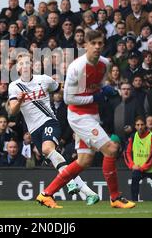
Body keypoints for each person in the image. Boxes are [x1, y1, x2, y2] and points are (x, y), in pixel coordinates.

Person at [36, 30, 135, 209]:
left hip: (92, 115)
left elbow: (98, 85)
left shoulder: (104, 64)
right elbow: (68, 99)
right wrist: (95, 97)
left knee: (84, 161)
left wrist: (107, 88)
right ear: (85, 46)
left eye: (100, 43)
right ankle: (115, 198)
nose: (97, 47)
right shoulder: (77, 68)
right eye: (93, 43)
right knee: (111, 149)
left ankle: (46, 194)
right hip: (78, 116)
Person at [9, 53, 100, 205]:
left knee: (47, 148)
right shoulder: (14, 87)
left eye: (27, 63)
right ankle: (89, 193)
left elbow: (60, 89)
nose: (24, 66)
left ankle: (70, 184)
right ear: (17, 69)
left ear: (31, 66)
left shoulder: (43, 80)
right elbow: (12, 111)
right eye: (21, 64)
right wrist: (19, 101)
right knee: (54, 158)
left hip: (49, 122)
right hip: (34, 130)